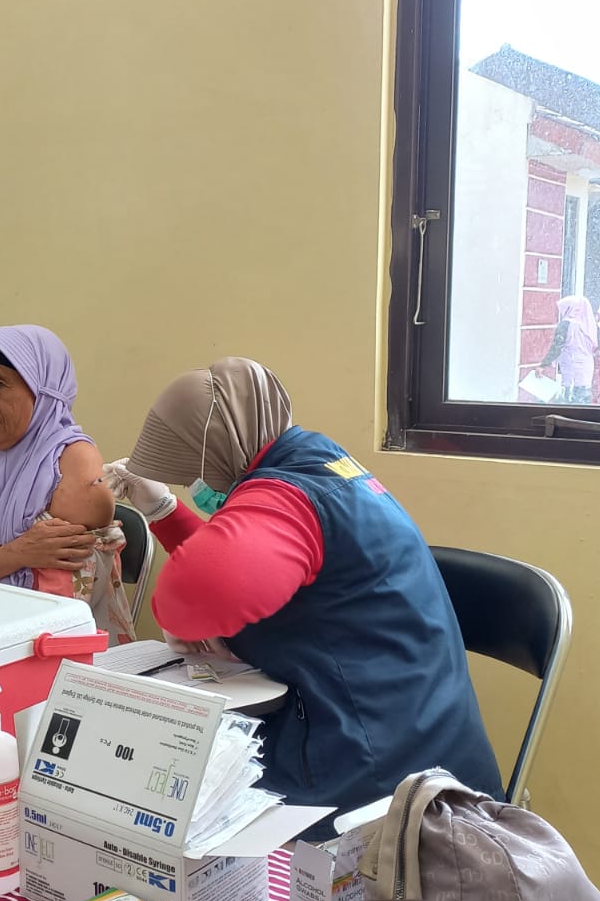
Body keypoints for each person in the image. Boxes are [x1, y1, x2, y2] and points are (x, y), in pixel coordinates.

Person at [104, 357, 502, 837]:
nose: (197, 484)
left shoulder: (290, 493)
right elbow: (244, 559)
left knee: (177, 808)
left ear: (228, 443)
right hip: (421, 737)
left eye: (195, 468)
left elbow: (196, 589)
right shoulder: (320, 462)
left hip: (383, 783)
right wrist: (163, 510)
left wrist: (183, 617)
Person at [0, 326, 132, 640]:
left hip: (61, 664)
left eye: (0, 384)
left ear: (42, 392)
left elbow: (52, 609)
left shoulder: (74, 463)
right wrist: (14, 555)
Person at [537, 295, 600, 403]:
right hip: (586, 368)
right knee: (582, 401)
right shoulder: (589, 325)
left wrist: (543, 365)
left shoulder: (566, 324)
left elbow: (556, 347)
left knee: (570, 403)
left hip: (571, 368)